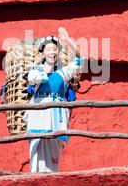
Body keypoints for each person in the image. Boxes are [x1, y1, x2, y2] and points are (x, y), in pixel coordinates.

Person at [23, 27, 83, 173]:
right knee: (36, 156)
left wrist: (68, 40)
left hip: (56, 118)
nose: (52, 52)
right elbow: (32, 78)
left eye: (55, 49)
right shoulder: (36, 70)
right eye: (49, 49)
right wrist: (42, 72)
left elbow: (80, 59)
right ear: (43, 52)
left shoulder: (63, 72)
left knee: (53, 159)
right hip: (38, 117)